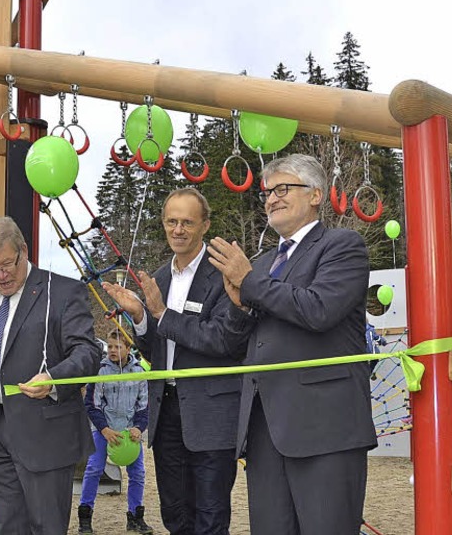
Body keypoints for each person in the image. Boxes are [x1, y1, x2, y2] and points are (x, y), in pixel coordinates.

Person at [206, 153, 376, 535]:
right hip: (265, 429)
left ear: (316, 194)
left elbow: (319, 310)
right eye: (267, 192)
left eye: (283, 189)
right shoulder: (262, 263)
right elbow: (238, 341)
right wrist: (238, 307)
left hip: (325, 428)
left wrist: (249, 283)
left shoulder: (342, 245)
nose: (271, 198)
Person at [105, 188, 247, 535]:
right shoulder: (160, 277)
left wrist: (159, 312)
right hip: (166, 411)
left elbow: (222, 339)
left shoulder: (224, 274)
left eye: (187, 222)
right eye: (171, 221)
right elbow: (157, 349)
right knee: (174, 513)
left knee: (211, 516)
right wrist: (140, 317)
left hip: (211, 415)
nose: (178, 230)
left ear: (205, 225)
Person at [0, 216, 101, 534]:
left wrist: (53, 378)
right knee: (6, 527)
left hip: (46, 437)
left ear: (23, 250)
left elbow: (88, 353)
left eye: (7, 264)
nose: (0, 275)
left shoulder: (64, 291)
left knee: (47, 528)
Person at [77, 329, 153, 534]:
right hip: (104, 431)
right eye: (110, 346)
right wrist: (104, 429)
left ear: (128, 348)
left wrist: (139, 427)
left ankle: (135, 516)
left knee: (137, 473)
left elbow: (144, 405)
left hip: (130, 432)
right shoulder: (100, 371)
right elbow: (92, 405)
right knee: (93, 469)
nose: (112, 350)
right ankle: (85, 516)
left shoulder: (140, 373)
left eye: (117, 347)